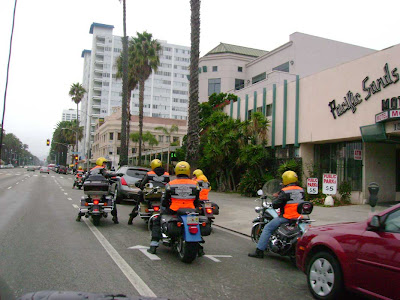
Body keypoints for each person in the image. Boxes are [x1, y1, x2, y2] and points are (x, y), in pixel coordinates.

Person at [147, 161, 202, 255]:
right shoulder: (195, 184)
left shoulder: (171, 184)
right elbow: (197, 200)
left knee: (157, 221)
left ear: (176, 171)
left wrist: (166, 206)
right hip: (191, 209)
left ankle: (153, 245)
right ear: (188, 171)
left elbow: (165, 200)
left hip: (174, 209)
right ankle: (199, 247)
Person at [248, 170, 305, 258]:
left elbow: (276, 204)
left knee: (267, 228)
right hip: (299, 217)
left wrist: (275, 199)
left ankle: (259, 251)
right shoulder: (301, 190)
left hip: (287, 217)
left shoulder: (285, 191)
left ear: (286, 179)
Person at [76, 157, 119, 224]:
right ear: (101, 163)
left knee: (86, 200)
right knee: (112, 200)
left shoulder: (92, 170)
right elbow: (107, 175)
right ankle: (115, 218)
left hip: (89, 190)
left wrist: (83, 183)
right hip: (102, 190)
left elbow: (85, 178)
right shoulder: (101, 169)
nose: (105, 165)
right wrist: (117, 174)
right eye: (104, 163)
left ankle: (79, 216)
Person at [128, 159, 170, 225]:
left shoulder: (149, 174)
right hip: (162, 195)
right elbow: (168, 185)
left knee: (139, 200)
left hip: (150, 195)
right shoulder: (167, 174)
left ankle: (132, 216)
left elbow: (142, 184)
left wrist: (141, 186)